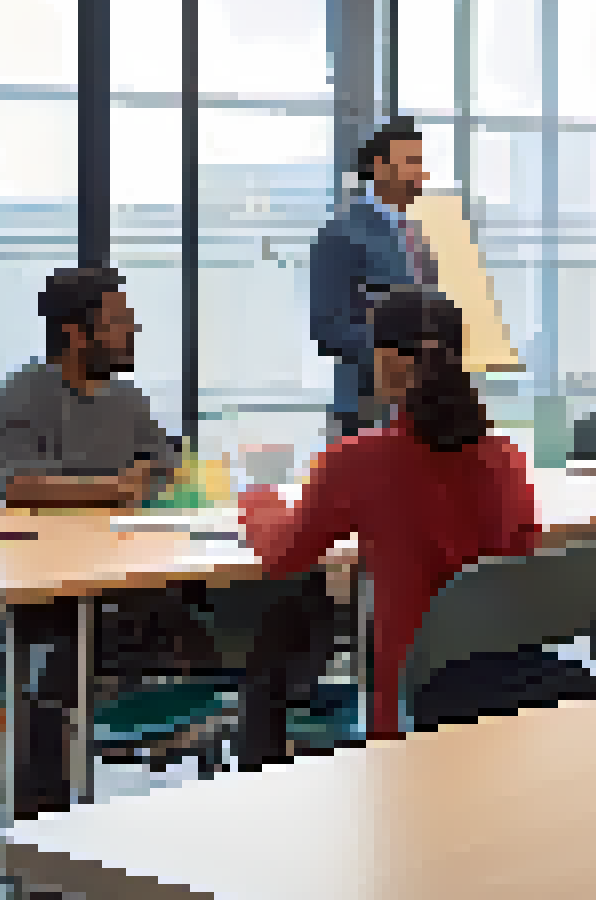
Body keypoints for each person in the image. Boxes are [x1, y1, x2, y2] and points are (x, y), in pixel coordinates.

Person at [239, 285, 566, 740]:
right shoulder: (506, 454)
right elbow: (525, 552)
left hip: (408, 699)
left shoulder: (358, 459)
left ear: (390, 363)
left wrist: (258, 502)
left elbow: (282, 558)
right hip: (508, 691)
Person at [0, 267, 211, 818]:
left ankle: (207, 730)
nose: (131, 329)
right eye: (116, 321)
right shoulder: (24, 393)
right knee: (63, 661)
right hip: (48, 589)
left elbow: (167, 470)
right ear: (75, 334)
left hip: (130, 579)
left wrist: (158, 482)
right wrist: (108, 488)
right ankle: (43, 821)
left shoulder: (127, 401)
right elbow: (9, 485)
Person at [311, 119, 435, 440]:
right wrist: (396, 353)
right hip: (365, 410)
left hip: (422, 408)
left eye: (421, 164)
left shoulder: (419, 238)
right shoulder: (342, 232)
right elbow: (326, 327)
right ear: (379, 168)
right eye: (411, 162)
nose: (421, 175)